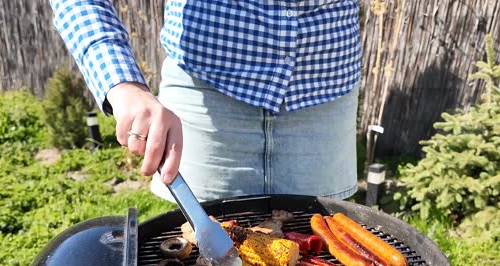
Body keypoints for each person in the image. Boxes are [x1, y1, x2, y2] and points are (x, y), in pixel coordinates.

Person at [50, 0, 360, 202]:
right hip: (205, 86)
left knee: (324, 247)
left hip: (324, 89)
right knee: (198, 258)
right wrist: (122, 83)